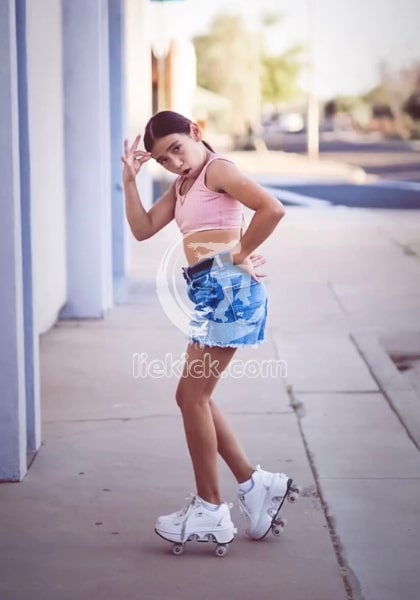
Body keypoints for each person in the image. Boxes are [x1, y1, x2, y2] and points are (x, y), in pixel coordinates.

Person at [121, 110, 297, 547]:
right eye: (163, 159)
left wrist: (238, 254)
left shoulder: (217, 170)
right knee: (195, 397)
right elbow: (142, 230)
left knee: (191, 398)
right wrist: (129, 180)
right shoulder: (183, 185)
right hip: (210, 293)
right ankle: (256, 485)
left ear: (196, 133)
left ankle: (211, 507)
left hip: (230, 291)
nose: (174, 163)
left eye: (177, 149)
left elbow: (271, 209)